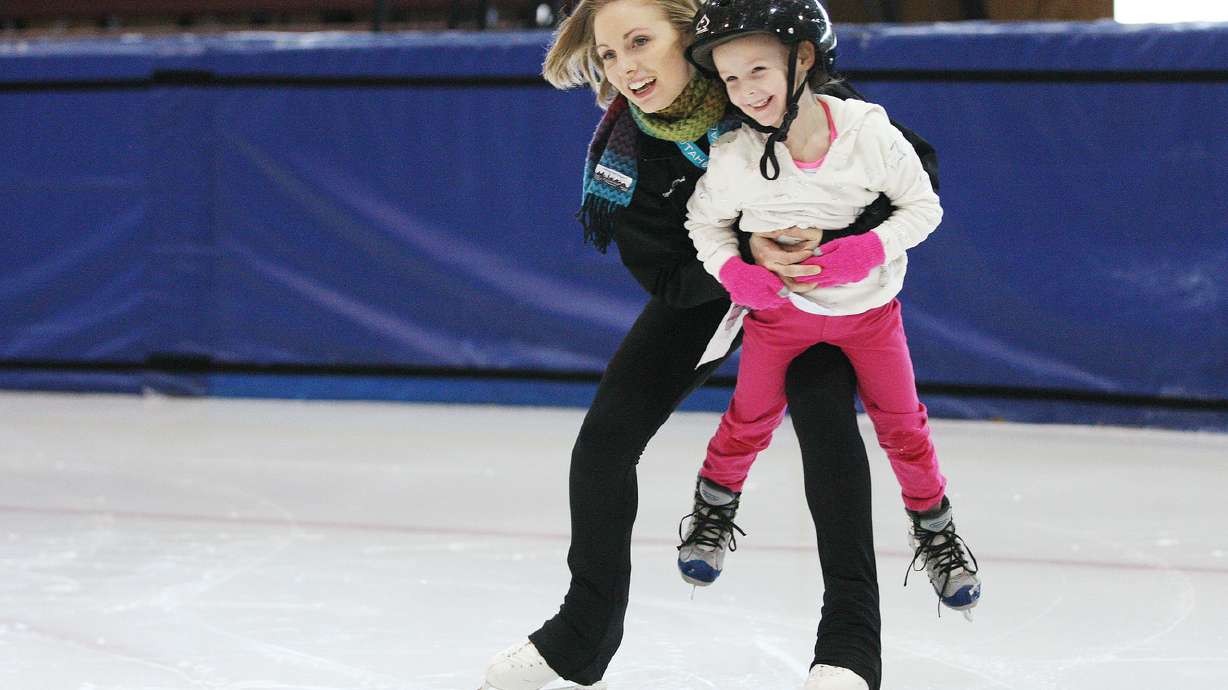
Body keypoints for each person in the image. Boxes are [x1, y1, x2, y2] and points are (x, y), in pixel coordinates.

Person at [478, 0, 934, 686]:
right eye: (608, 54)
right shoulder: (623, 155)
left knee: (823, 418)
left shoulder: (766, 80)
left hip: (815, 284)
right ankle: (582, 632)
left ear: (688, 37)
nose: (626, 66)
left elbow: (911, 171)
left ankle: (849, 646)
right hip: (709, 289)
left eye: (639, 40)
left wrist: (829, 243)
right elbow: (659, 270)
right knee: (604, 444)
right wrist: (740, 265)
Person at [672, 0, 981, 619]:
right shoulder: (734, 155)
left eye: (757, 70)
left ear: (803, 58)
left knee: (904, 428)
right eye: (731, 79)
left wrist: (866, 250)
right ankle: (713, 509)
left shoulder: (868, 133)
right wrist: (735, 271)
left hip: (870, 317)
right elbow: (702, 223)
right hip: (778, 319)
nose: (744, 91)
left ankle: (935, 530)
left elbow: (924, 208)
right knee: (748, 419)